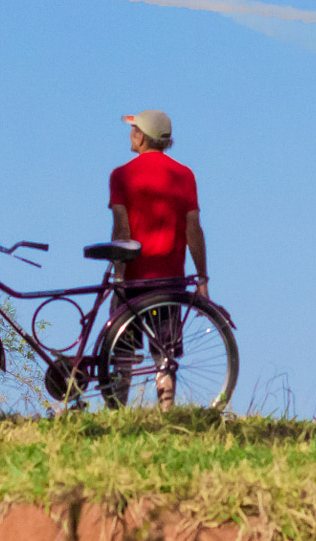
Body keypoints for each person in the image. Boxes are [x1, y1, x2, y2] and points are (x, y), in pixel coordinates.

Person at [107, 109, 206, 408]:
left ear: (141, 136)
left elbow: (122, 228)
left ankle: (117, 412)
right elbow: (193, 229)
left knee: (121, 352)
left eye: (133, 129)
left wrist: (118, 275)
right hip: (170, 280)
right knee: (165, 356)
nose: (130, 134)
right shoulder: (184, 175)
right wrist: (201, 279)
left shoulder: (121, 175)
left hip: (135, 279)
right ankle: (167, 412)